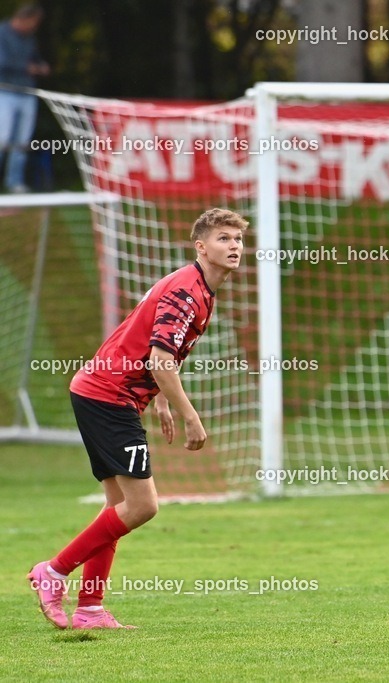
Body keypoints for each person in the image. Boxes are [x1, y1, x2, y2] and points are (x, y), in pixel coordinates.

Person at [27, 208, 246, 629]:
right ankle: (53, 572)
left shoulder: (197, 287)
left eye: (237, 239)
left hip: (103, 392)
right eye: (223, 238)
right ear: (201, 246)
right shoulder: (187, 291)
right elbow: (161, 361)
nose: (234, 246)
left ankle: (90, 609)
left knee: (118, 506)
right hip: (108, 396)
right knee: (143, 506)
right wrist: (191, 417)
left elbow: (154, 347)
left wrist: (161, 401)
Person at [0, 3, 49, 193]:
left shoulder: (30, 38)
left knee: (22, 141)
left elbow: (34, 59)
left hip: (27, 93)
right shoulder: (2, 33)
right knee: (2, 138)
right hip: (5, 92)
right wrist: (28, 68)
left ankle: (15, 182)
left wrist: (41, 66)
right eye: (33, 22)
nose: (34, 27)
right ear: (24, 18)